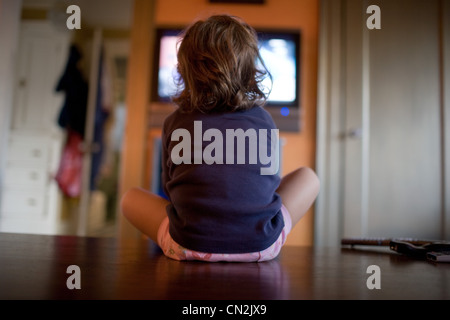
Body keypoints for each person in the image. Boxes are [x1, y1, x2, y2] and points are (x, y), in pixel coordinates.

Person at [121, 14, 320, 262]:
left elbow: (170, 190)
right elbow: (270, 186)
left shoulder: (175, 121)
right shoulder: (265, 121)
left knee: (130, 198)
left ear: (185, 70)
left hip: (186, 244)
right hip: (262, 245)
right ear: (251, 70)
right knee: (308, 177)